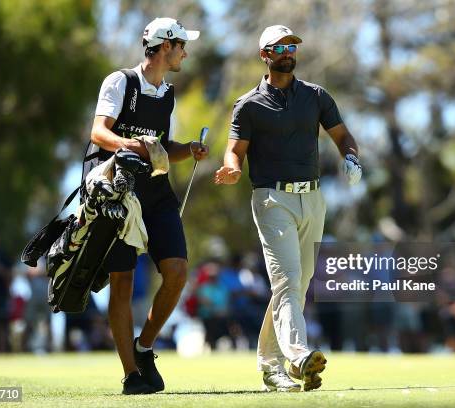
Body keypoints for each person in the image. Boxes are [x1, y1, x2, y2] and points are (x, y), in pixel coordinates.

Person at [214, 25, 362, 392]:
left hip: (312, 198)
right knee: (287, 280)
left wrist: (351, 158)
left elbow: (341, 135)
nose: (288, 52)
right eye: (279, 47)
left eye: (292, 46)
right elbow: (235, 149)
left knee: (295, 285)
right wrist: (232, 168)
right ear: (265, 55)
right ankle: (298, 357)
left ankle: (270, 367)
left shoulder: (315, 96)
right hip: (271, 198)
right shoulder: (248, 104)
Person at [87, 17, 208, 394]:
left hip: (155, 191)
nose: (185, 52)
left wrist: (187, 150)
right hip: (118, 192)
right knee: (122, 282)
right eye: (181, 45)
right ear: (165, 45)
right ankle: (131, 375)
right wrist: (135, 146)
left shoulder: (167, 94)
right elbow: (99, 132)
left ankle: (144, 347)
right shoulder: (120, 82)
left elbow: (162, 149)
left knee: (177, 273)